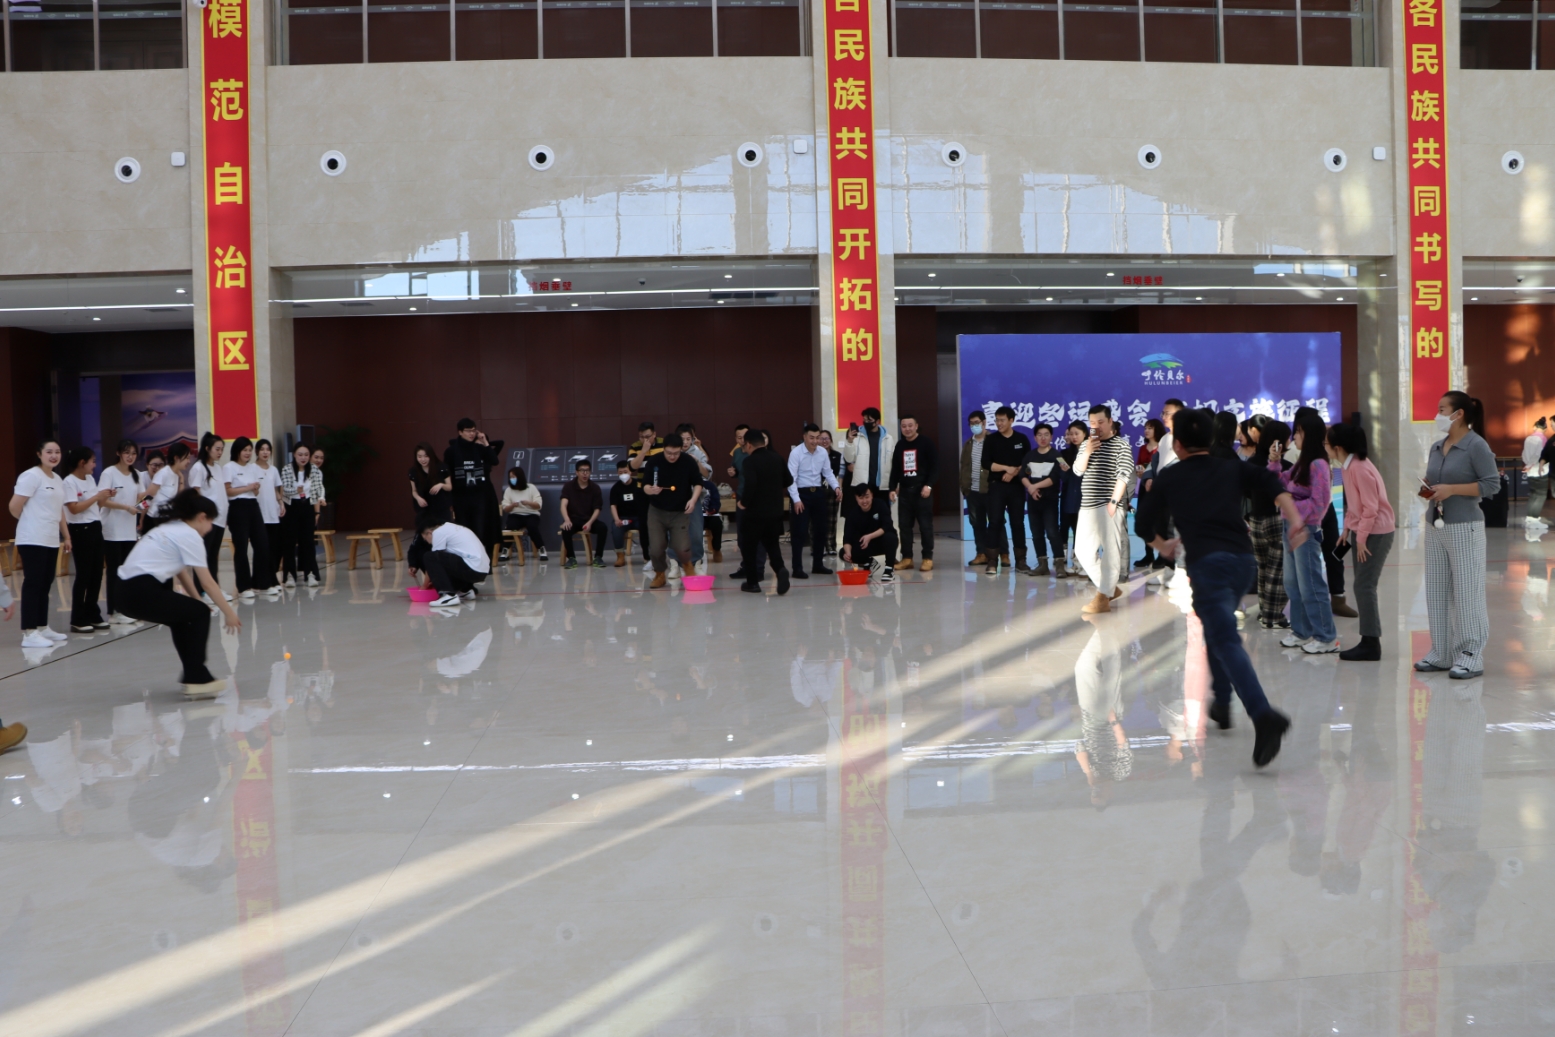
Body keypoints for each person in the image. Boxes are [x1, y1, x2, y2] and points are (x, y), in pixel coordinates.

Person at [1148, 407, 1303, 768]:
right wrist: (1295, 519)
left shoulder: (1171, 476)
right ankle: (1221, 701)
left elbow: (1144, 522)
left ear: (1178, 444)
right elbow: (1272, 483)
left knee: (1224, 638)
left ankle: (1263, 715)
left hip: (1208, 568)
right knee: (1216, 631)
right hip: (1242, 564)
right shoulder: (1230, 466)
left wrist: (1162, 544)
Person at [116, 489, 242, 697]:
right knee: (199, 614)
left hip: (123, 593)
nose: (211, 528)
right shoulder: (189, 535)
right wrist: (229, 613)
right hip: (140, 591)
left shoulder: (170, 528)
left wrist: (197, 600)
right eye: (211, 522)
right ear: (202, 517)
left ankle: (194, 675)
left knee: (186, 617)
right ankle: (197, 677)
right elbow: (208, 583)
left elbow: (181, 571)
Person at [1416, 391, 1501, 679]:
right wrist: (1429, 488)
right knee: (1436, 590)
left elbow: (1491, 484)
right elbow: (1436, 479)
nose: (1437, 414)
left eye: (1442, 409)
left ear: (1459, 413)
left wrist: (1452, 490)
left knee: (1467, 593)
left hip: (1465, 526)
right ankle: (1441, 652)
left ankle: (1471, 654)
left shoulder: (1476, 445)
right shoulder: (1437, 446)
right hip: (1435, 525)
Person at [1270, 410, 1339, 653]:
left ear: (1309, 434)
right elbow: (1278, 483)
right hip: (1290, 526)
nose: (1294, 437)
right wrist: (1274, 462)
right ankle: (1301, 631)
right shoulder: (1302, 463)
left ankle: (1326, 636)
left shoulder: (1319, 464)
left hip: (1306, 529)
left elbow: (1320, 503)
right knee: (1293, 583)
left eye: (1298, 432)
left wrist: (1290, 504)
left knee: (1311, 584)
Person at [1325, 423, 1395, 662]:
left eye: (1327, 443)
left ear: (1338, 447)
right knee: (1362, 585)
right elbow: (1355, 505)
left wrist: (1361, 538)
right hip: (1364, 531)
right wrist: (1347, 529)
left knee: (1364, 586)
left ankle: (1371, 643)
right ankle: (1368, 640)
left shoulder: (1359, 468)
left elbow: (1371, 508)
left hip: (1376, 532)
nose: (1325, 447)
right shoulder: (1348, 466)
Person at [1295, 406, 1356, 620]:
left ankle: (1338, 598)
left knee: (1336, 551)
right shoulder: (1296, 451)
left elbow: (1342, 462)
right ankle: (1309, 604)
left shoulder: (1325, 450)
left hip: (1327, 508)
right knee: (1306, 560)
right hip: (1308, 513)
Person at [10, 440, 72, 648]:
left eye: (57, 452)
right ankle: (29, 633)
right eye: (49, 452)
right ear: (39, 454)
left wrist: (66, 536)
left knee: (46, 583)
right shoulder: (31, 476)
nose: (54, 455)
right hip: (32, 538)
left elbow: (59, 510)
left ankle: (42, 626)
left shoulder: (57, 478)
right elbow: (14, 506)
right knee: (33, 583)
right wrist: (30, 521)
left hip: (50, 539)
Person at [1073, 404, 1133, 614]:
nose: (1096, 426)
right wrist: (1088, 450)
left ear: (1110, 421)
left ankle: (1103, 597)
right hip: (1087, 505)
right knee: (1082, 551)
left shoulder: (1121, 445)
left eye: (1100, 422)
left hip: (1109, 504)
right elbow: (1078, 471)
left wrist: (1114, 502)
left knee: (1111, 551)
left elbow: (1124, 474)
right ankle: (1109, 589)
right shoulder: (1087, 444)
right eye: (1092, 423)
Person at [636, 434, 703, 588]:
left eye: (676, 453)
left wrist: (693, 500)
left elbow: (698, 483)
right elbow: (644, 485)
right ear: (663, 449)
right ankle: (660, 574)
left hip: (680, 512)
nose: (672, 456)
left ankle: (688, 568)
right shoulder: (654, 461)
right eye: (669, 453)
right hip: (657, 511)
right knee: (656, 548)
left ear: (681, 450)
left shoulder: (688, 462)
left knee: (682, 547)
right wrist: (650, 490)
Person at [1244, 417, 1291, 628]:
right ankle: (1273, 616)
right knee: (1277, 571)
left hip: (1256, 520)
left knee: (1263, 568)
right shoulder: (1285, 467)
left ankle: (1265, 612)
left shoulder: (1251, 463)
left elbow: (1245, 490)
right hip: (1276, 519)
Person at [736, 429, 792, 594]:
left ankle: (753, 583)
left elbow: (751, 484)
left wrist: (743, 503)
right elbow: (788, 480)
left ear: (748, 444)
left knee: (749, 547)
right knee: (772, 545)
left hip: (755, 513)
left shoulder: (750, 461)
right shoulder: (777, 458)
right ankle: (780, 569)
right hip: (775, 512)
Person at [61, 446, 111, 631]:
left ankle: (92, 612)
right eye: (92, 461)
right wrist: (96, 497)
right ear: (82, 463)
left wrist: (104, 496)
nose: (94, 465)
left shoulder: (90, 479)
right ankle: (77, 617)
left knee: (97, 573)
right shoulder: (69, 482)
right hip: (80, 529)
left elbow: (96, 503)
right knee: (84, 574)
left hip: (95, 526)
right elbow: (73, 508)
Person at [99, 438, 146, 625]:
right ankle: (113, 611)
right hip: (111, 530)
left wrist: (144, 504)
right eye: (127, 452)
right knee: (113, 571)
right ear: (118, 453)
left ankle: (125, 608)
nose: (130, 457)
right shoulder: (109, 473)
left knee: (126, 571)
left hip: (129, 531)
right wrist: (126, 507)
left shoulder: (137, 475)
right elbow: (102, 501)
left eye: (133, 453)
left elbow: (141, 498)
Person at [223, 437, 276, 601]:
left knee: (262, 544)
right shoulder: (229, 467)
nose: (247, 453)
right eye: (244, 450)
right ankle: (243, 586)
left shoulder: (252, 468)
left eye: (249, 450)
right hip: (237, 507)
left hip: (253, 505)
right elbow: (228, 491)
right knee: (241, 547)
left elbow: (255, 492)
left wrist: (255, 488)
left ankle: (262, 583)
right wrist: (247, 488)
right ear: (237, 451)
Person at [981, 406, 1031, 576]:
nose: (999, 423)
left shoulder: (1021, 439)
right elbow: (986, 463)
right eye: (997, 420)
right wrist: (1006, 468)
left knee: (1017, 523)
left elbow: (1027, 463)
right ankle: (992, 561)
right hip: (997, 486)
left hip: (1016, 487)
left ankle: (1021, 560)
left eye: (1002, 420)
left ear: (1011, 420)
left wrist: (1013, 473)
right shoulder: (991, 440)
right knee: (995, 522)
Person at [789, 422, 843, 578]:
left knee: (821, 530)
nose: (815, 441)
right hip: (801, 494)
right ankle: (797, 568)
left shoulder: (822, 452)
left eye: (817, 437)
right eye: (811, 438)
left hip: (818, 493)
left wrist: (836, 487)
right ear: (805, 437)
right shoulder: (796, 453)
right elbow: (791, 479)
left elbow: (828, 473)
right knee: (799, 533)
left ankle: (818, 565)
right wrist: (796, 499)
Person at [444, 418, 504, 556]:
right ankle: (467, 559)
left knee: (480, 530)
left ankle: (480, 560)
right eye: (468, 431)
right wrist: (450, 500)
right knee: (464, 530)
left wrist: (485, 443)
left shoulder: (479, 448)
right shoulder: (451, 451)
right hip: (460, 497)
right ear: (460, 432)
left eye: (473, 430)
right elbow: (447, 474)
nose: (471, 433)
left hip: (479, 496)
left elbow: (494, 461)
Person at [1143, 399, 1185, 585]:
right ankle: (1168, 570)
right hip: (1162, 493)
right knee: (1162, 529)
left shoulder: (1186, 438)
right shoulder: (1165, 438)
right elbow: (1155, 462)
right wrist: (1149, 477)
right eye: (1163, 413)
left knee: (1177, 532)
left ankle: (1181, 572)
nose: (1164, 416)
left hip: (1178, 492)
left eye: (1168, 413)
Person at [888, 415, 936, 572]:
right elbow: (895, 469)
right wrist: (892, 488)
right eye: (904, 426)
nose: (907, 429)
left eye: (910, 425)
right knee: (904, 527)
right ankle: (907, 558)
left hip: (922, 492)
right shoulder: (900, 445)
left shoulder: (926, 443)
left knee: (925, 526)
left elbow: (935, 467)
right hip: (905, 493)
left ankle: (927, 558)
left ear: (916, 426)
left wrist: (929, 486)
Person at [185, 433, 230, 591]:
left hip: (220, 518)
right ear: (207, 448)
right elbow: (195, 494)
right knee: (203, 556)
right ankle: (202, 590)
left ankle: (214, 589)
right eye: (217, 449)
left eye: (222, 449)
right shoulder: (199, 468)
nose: (220, 452)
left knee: (213, 556)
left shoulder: (217, 468)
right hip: (206, 520)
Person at [415, 516, 491, 608]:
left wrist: (424, 586)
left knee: (429, 556)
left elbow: (433, 560)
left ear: (429, 533)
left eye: (425, 538)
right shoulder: (453, 528)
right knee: (445, 559)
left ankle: (448, 596)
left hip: (472, 569)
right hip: (481, 570)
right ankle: (465, 591)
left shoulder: (438, 532)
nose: (428, 542)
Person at [1022, 422, 1066, 577]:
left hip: (1050, 500)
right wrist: (1030, 488)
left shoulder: (1058, 456)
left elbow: (1055, 478)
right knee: (1036, 533)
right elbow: (1023, 475)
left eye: (1046, 435)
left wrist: (1034, 486)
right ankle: (1042, 565)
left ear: (1051, 437)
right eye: (1039, 435)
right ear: (1035, 437)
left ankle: (1059, 564)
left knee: (1053, 532)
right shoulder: (1030, 455)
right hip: (1033, 500)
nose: (1043, 438)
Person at [279, 443, 324, 587]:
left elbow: (318, 488)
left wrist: (320, 500)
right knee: (289, 542)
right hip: (291, 506)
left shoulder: (314, 470)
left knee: (308, 542)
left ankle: (310, 574)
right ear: (294, 455)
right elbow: (285, 490)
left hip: (307, 506)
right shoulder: (287, 469)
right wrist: (296, 491)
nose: (303, 457)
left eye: (306, 455)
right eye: (300, 454)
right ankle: (290, 576)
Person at [842, 484, 898, 584]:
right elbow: (847, 537)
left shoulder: (880, 504)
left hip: (882, 541)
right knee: (843, 552)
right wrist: (848, 553)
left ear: (872, 495)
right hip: (865, 545)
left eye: (867, 497)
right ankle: (869, 563)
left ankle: (889, 569)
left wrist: (870, 536)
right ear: (856, 498)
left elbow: (887, 525)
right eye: (861, 498)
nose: (864, 501)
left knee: (891, 537)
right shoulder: (852, 513)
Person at [676, 425, 714, 570]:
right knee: (675, 532)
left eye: (688, 439)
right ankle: (675, 563)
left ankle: (697, 560)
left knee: (697, 532)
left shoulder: (697, 452)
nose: (686, 442)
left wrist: (696, 462)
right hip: (675, 499)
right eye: (682, 439)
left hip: (694, 497)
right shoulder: (671, 453)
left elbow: (707, 474)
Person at [559, 460, 607, 569]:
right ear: (576, 472)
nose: (585, 473)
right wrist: (567, 519)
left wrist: (590, 523)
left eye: (587, 471)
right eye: (582, 471)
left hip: (589, 520)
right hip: (573, 520)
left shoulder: (595, 487)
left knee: (603, 528)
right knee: (566, 529)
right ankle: (571, 558)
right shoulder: (568, 486)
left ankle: (598, 557)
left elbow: (597, 509)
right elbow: (563, 505)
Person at [1055, 421, 1087, 575]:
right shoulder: (1065, 454)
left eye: (1076, 433)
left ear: (1085, 434)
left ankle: (1083, 562)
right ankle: (1070, 561)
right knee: (1069, 526)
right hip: (1070, 496)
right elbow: (1065, 478)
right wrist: (1064, 471)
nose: (1073, 437)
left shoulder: (1092, 452)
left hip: (1086, 496)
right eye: (1071, 434)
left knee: (1083, 530)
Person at [253, 439, 286, 586]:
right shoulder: (252, 468)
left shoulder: (273, 470)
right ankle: (259, 579)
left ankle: (272, 578)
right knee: (261, 548)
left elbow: (276, 489)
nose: (265, 452)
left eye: (268, 449)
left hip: (273, 514)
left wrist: (281, 502)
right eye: (262, 449)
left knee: (275, 548)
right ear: (257, 452)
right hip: (259, 514)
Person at [1133, 418, 1164, 569]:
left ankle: (1162, 555)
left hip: (1159, 488)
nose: (1146, 431)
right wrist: (1140, 473)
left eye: (1150, 428)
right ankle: (1148, 554)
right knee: (1145, 519)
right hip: (1145, 487)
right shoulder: (1142, 448)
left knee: (1160, 521)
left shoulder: (1163, 447)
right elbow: (1139, 465)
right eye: (1145, 428)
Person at [842, 407, 893, 495]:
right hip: (863, 484)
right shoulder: (857, 437)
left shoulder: (888, 438)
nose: (866, 422)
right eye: (865, 420)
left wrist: (894, 485)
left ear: (877, 421)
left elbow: (892, 461)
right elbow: (849, 459)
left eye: (869, 420)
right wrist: (849, 442)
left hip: (882, 485)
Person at [500, 465, 546, 562]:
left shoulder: (531, 488)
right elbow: (506, 509)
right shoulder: (508, 490)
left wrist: (528, 503)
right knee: (510, 527)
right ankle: (505, 551)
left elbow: (538, 505)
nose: (512, 479)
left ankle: (541, 549)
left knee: (532, 527)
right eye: (510, 477)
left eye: (513, 477)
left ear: (520, 477)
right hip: (515, 515)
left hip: (531, 514)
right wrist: (512, 505)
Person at [144, 442, 190, 532]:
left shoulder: (176, 475)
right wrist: (140, 517)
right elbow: (148, 496)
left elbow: (179, 499)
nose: (189, 461)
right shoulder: (163, 473)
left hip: (167, 519)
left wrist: (181, 479)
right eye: (187, 458)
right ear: (176, 458)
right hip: (154, 519)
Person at [609, 460, 647, 567]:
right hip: (623, 518)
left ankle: (647, 555)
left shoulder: (638, 485)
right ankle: (620, 556)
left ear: (630, 471)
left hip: (638, 518)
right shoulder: (615, 488)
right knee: (616, 529)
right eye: (620, 473)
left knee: (646, 528)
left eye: (625, 472)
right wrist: (616, 519)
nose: (623, 475)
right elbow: (613, 506)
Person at [410, 442, 453, 527]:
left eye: (426, 456)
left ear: (431, 455)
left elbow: (449, 487)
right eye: (419, 457)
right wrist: (418, 498)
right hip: (424, 507)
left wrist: (441, 485)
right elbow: (414, 490)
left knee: (444, 529)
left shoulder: (442, 467)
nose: (423, 459)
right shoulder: (413, 471)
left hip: (441, 506)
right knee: (426, 530)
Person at [819, 429, 843, 557]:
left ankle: (830, 545)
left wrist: (839, 489)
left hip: (833, 490)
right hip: (818, 490)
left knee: (831, 520)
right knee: (817, 520)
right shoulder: (814, 454)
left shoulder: (837, 455)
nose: (824, 441)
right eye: (821, 438)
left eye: (827, 438)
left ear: (831, 440)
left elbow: (840, 474)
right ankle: (818, 546)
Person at [1523, 415, 1549, 528]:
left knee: (1534, 494)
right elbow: (1538, 455)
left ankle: (1530, 518)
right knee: (1541, 495)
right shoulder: (1543, 439)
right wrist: (1530, 465)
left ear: (1535, 427)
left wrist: (1527, 464)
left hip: (1530, 470)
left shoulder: (1528, 438)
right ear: (1545, 429)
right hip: (1539, 470)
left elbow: (1524, 454)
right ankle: (1534, 519)